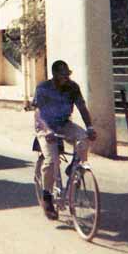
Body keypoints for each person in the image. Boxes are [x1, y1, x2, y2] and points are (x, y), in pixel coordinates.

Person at [33, 60, 97, 219]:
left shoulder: (73, 87)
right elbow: (38, 113)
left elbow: (82, 107)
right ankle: (47, 197)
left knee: (83, 138)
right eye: (63, 76)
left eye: (67, 75)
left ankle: (74, 168)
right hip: (45, 126)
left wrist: (90, 127)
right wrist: (47, 130)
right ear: (54, 75)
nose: (66, 78)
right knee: (51, 161)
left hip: (63, 124)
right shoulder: (43, 88)